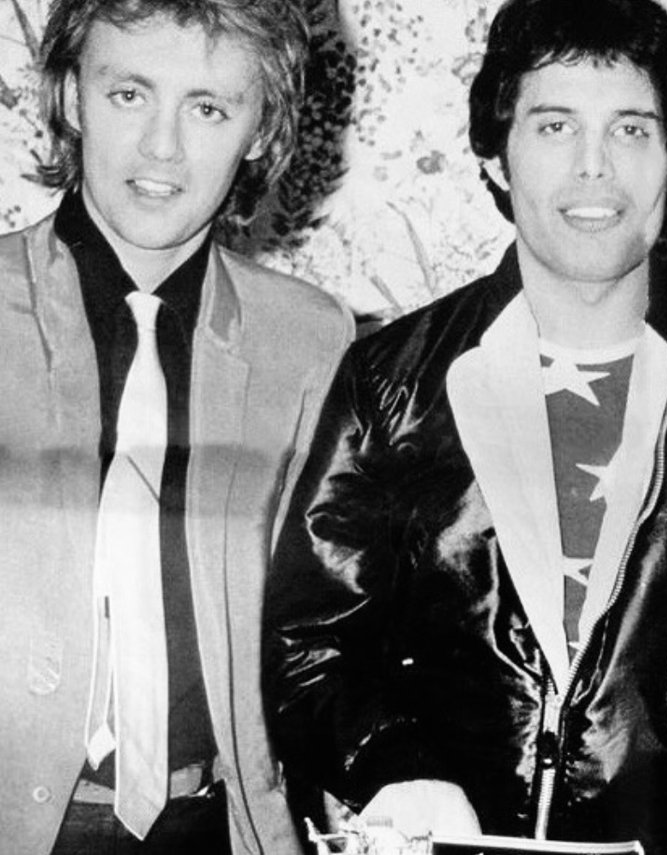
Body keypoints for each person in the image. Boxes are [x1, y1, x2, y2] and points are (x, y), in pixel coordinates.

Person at [262, 0, 667, 854]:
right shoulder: (391, 384)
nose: (594, 167)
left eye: (631, 130)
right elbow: (308, 638)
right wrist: (396, 770)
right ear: (495, 156)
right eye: (556, 126)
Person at [0, 0, 354, 852]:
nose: (162, 147)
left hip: (217, 826)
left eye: (208, 109)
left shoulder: (312, 340)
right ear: (72, 98)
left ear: (261, 131)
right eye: (129, 94)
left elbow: (331, 622)